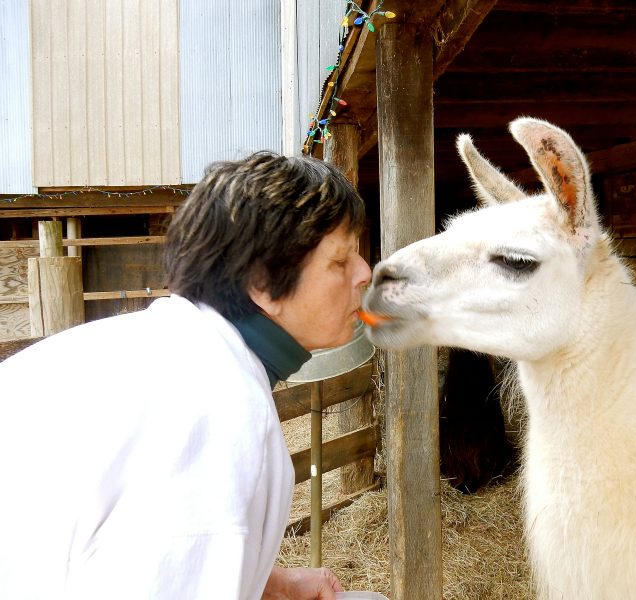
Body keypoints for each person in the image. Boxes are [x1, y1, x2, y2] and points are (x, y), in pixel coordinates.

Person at [0, 151, 372, 599]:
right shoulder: (220, 411)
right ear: (263, 280)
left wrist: (265, 583)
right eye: (340, 261)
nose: (364, 273)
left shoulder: (166, 351)